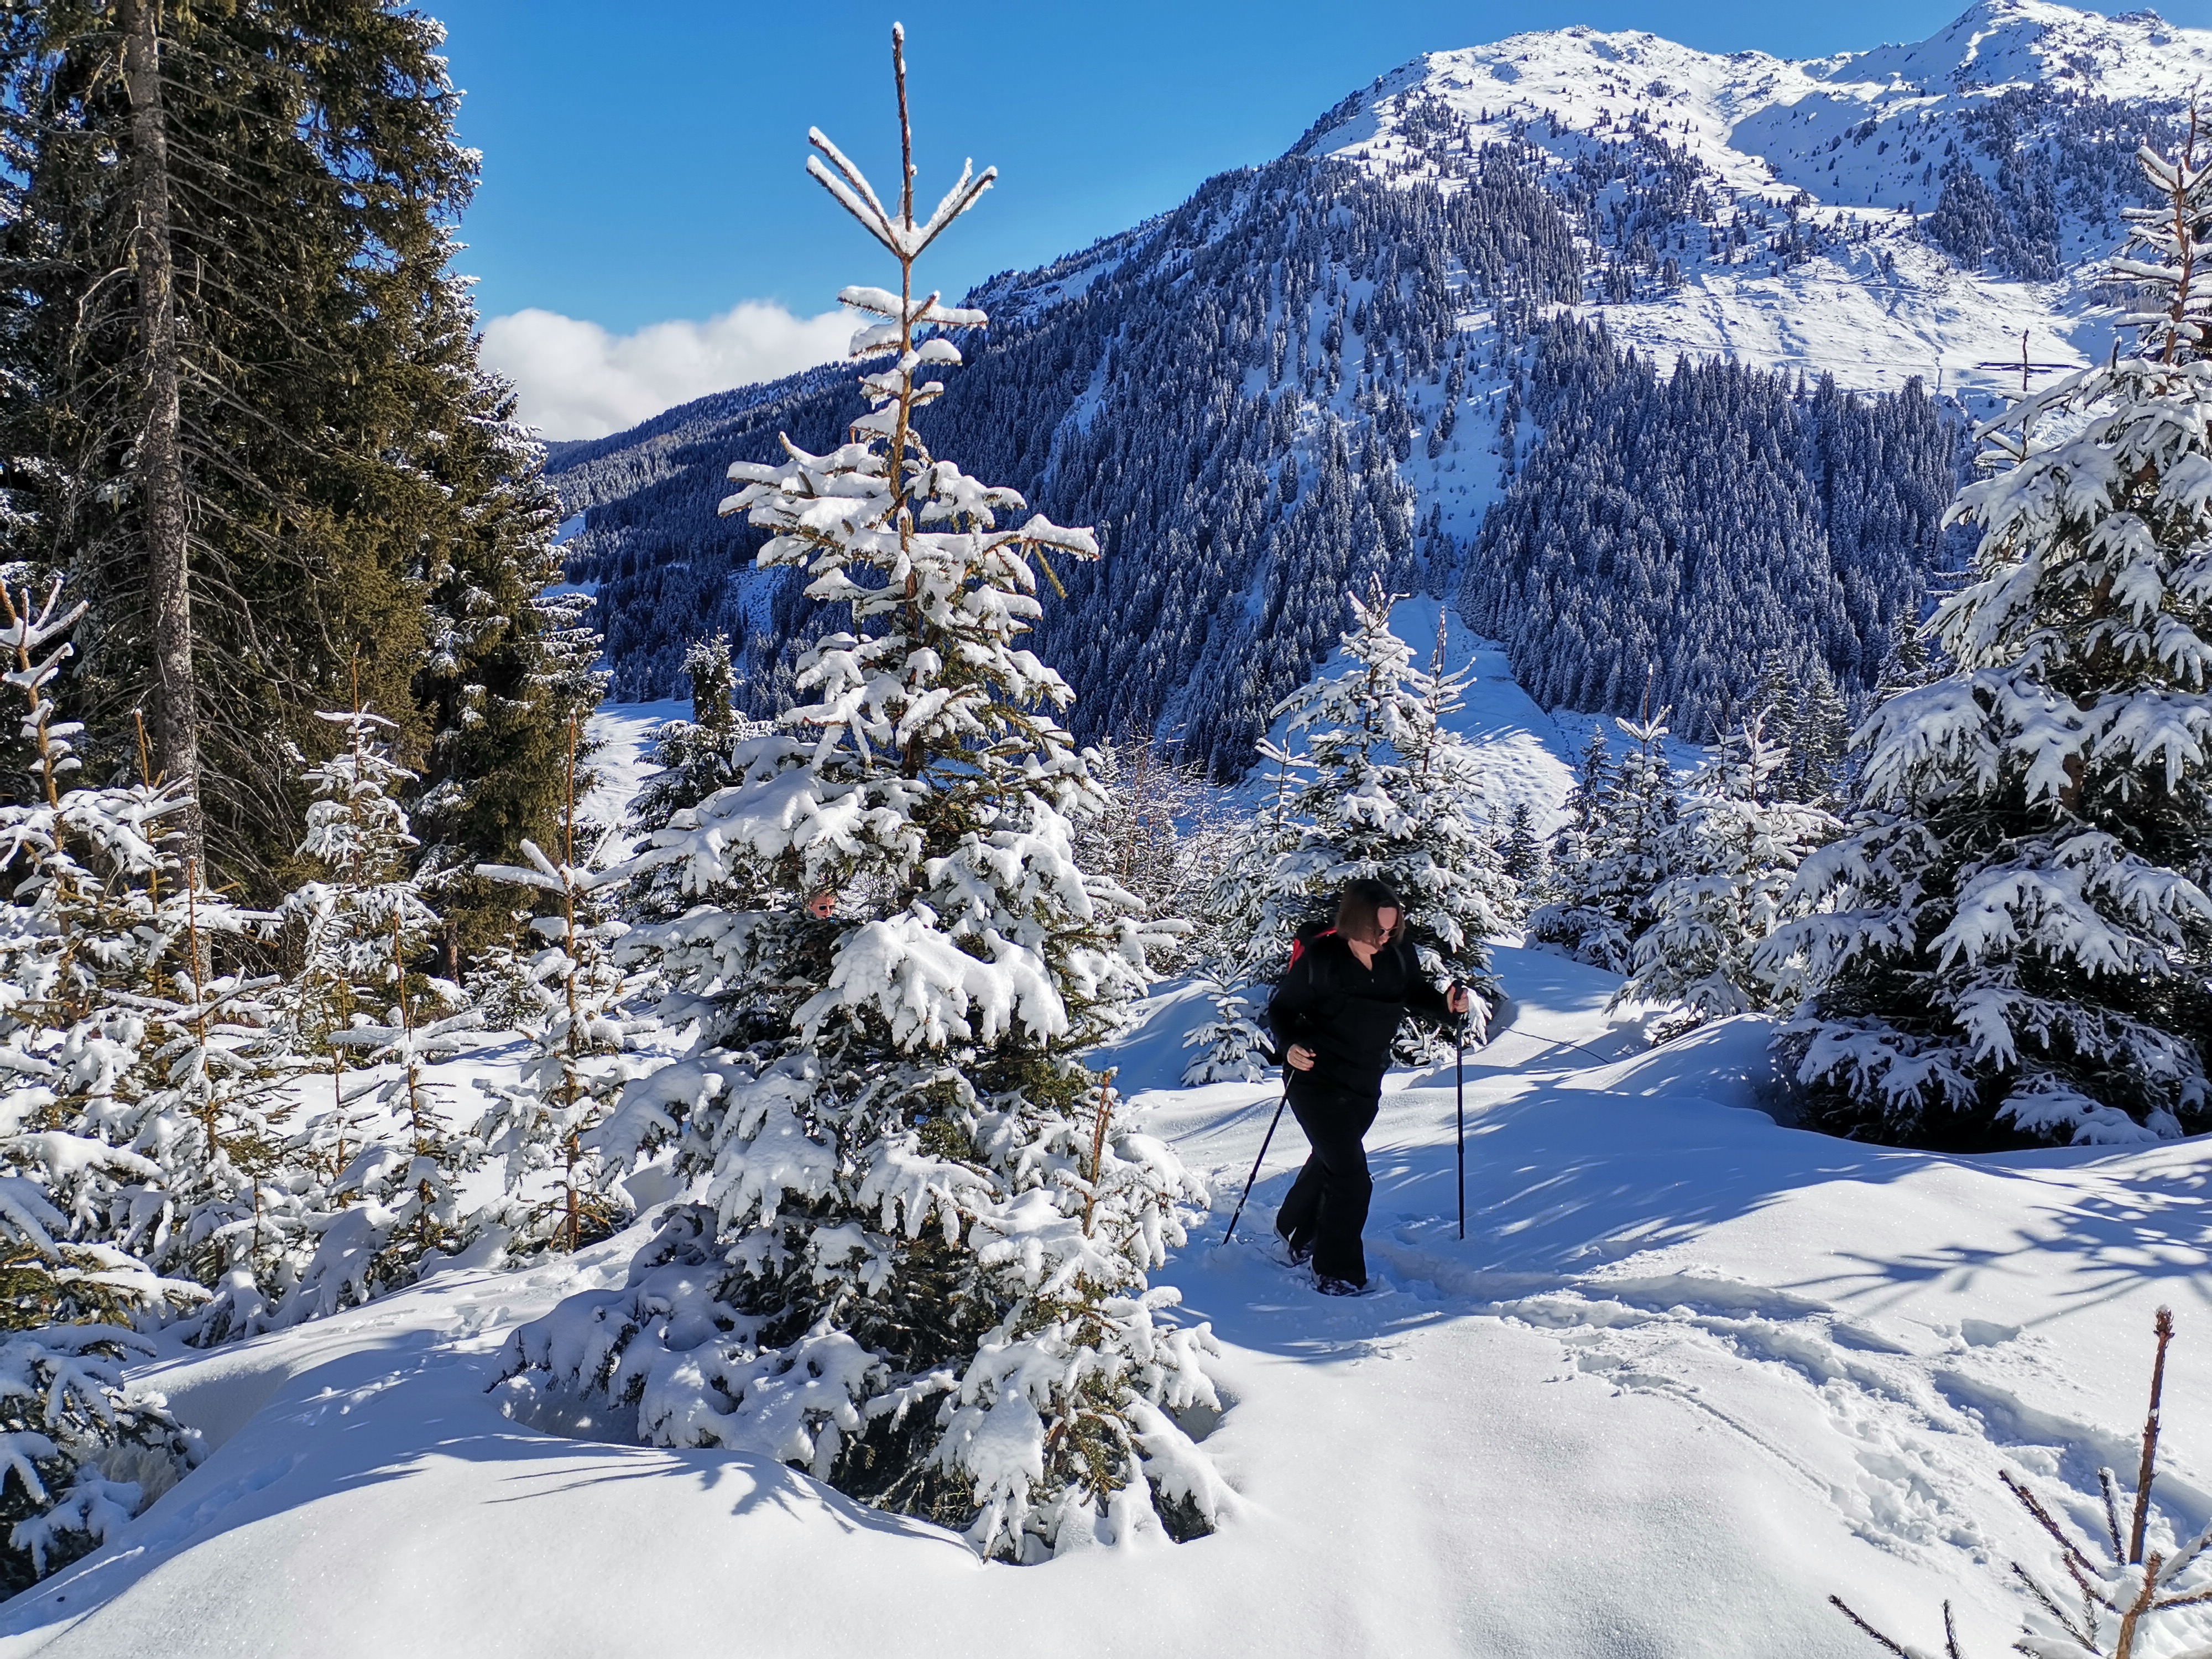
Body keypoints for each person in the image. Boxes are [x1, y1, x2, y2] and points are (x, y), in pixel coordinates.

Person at [1266, 878, 1470, 1295]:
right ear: (1356, 922)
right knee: (1352, 1177)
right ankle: (1336, 1271)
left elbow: (1413, 993)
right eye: (1378, 928)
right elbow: (1282, 1009)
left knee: (1333, 1161)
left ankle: (1294, 1228)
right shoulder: (1323, 958)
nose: (1386, 936)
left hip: (1364, 1080)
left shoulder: (1397, 955)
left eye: (1392, 928)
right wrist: (1289, 1047)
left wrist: (1447, 1008)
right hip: (1315, 1078)